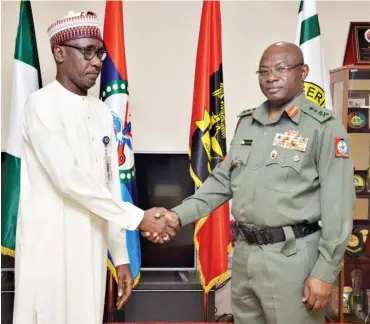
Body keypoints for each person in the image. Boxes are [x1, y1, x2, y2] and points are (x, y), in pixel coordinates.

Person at [146, 42, 355, 324]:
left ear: (303, 72)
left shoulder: (323, 128)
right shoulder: (247, 123)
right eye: (264, 71)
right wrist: (174, 216)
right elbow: (221, 182)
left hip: (292, 260)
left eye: (281, 69)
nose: (271, 77)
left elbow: (339, 206)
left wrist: (325, 272)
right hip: (245, 255)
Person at [13, 11, 178, 324]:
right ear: (59, 53)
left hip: (90, 251)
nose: (98, 61)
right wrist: (140, 217)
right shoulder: (40, 105)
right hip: (50, 253)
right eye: (86, 51)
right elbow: (68, 179)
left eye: (100, 52)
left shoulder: (102, 112)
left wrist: (122, 257)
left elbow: (109, 186)